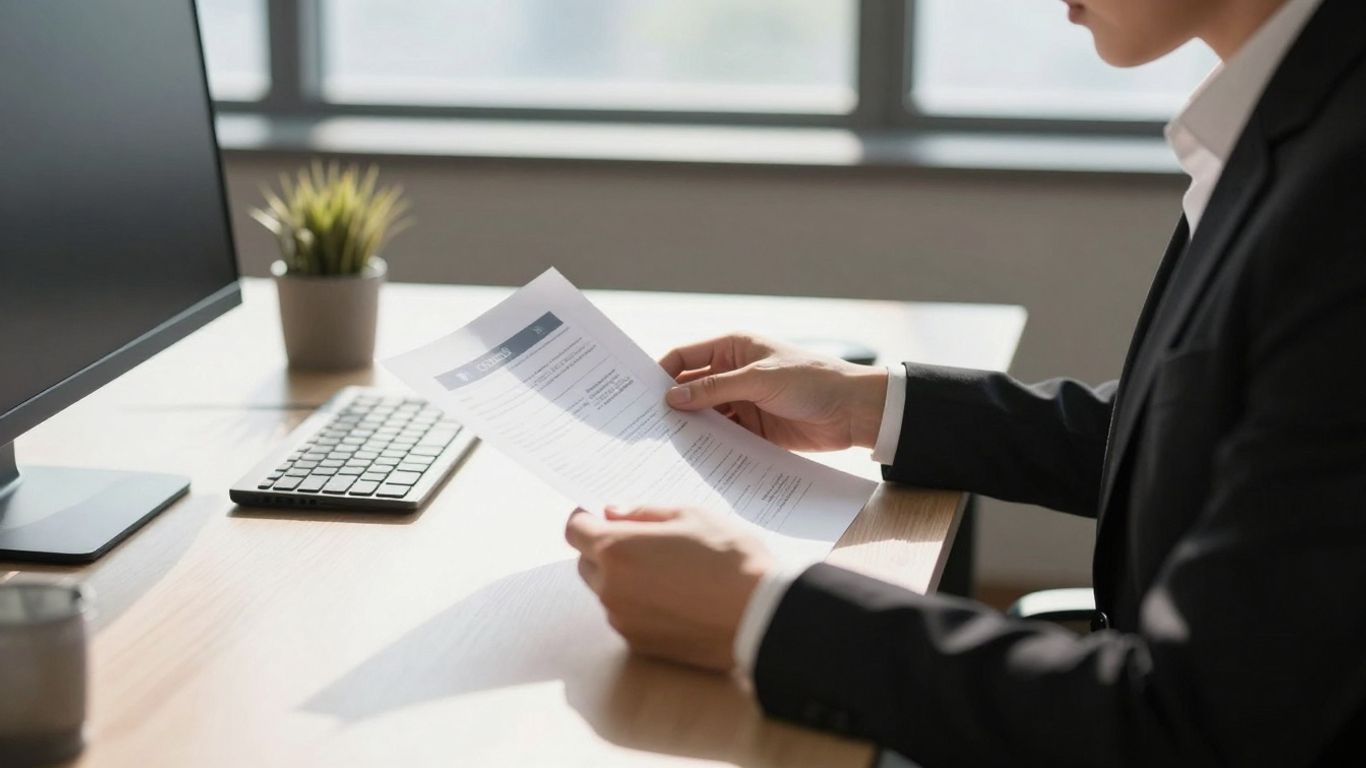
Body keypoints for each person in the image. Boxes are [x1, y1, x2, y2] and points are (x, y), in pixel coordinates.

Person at [565, 0, 1366, 762]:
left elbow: (1194, 730)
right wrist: (870, 403)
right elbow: (1205, 433)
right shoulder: (1296, 110)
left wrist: (759, 613)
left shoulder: (1340, 193)